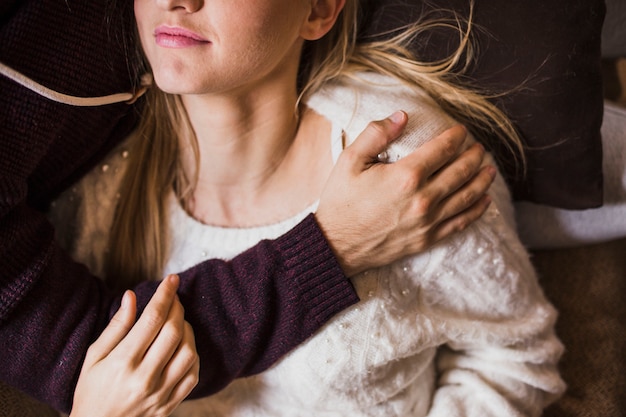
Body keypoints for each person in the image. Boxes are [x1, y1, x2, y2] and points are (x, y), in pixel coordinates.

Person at [45, 0, 566, 415]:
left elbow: (518, 357)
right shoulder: (98, 185)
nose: (177, 0)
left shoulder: (399, 163)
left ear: (318, 9)